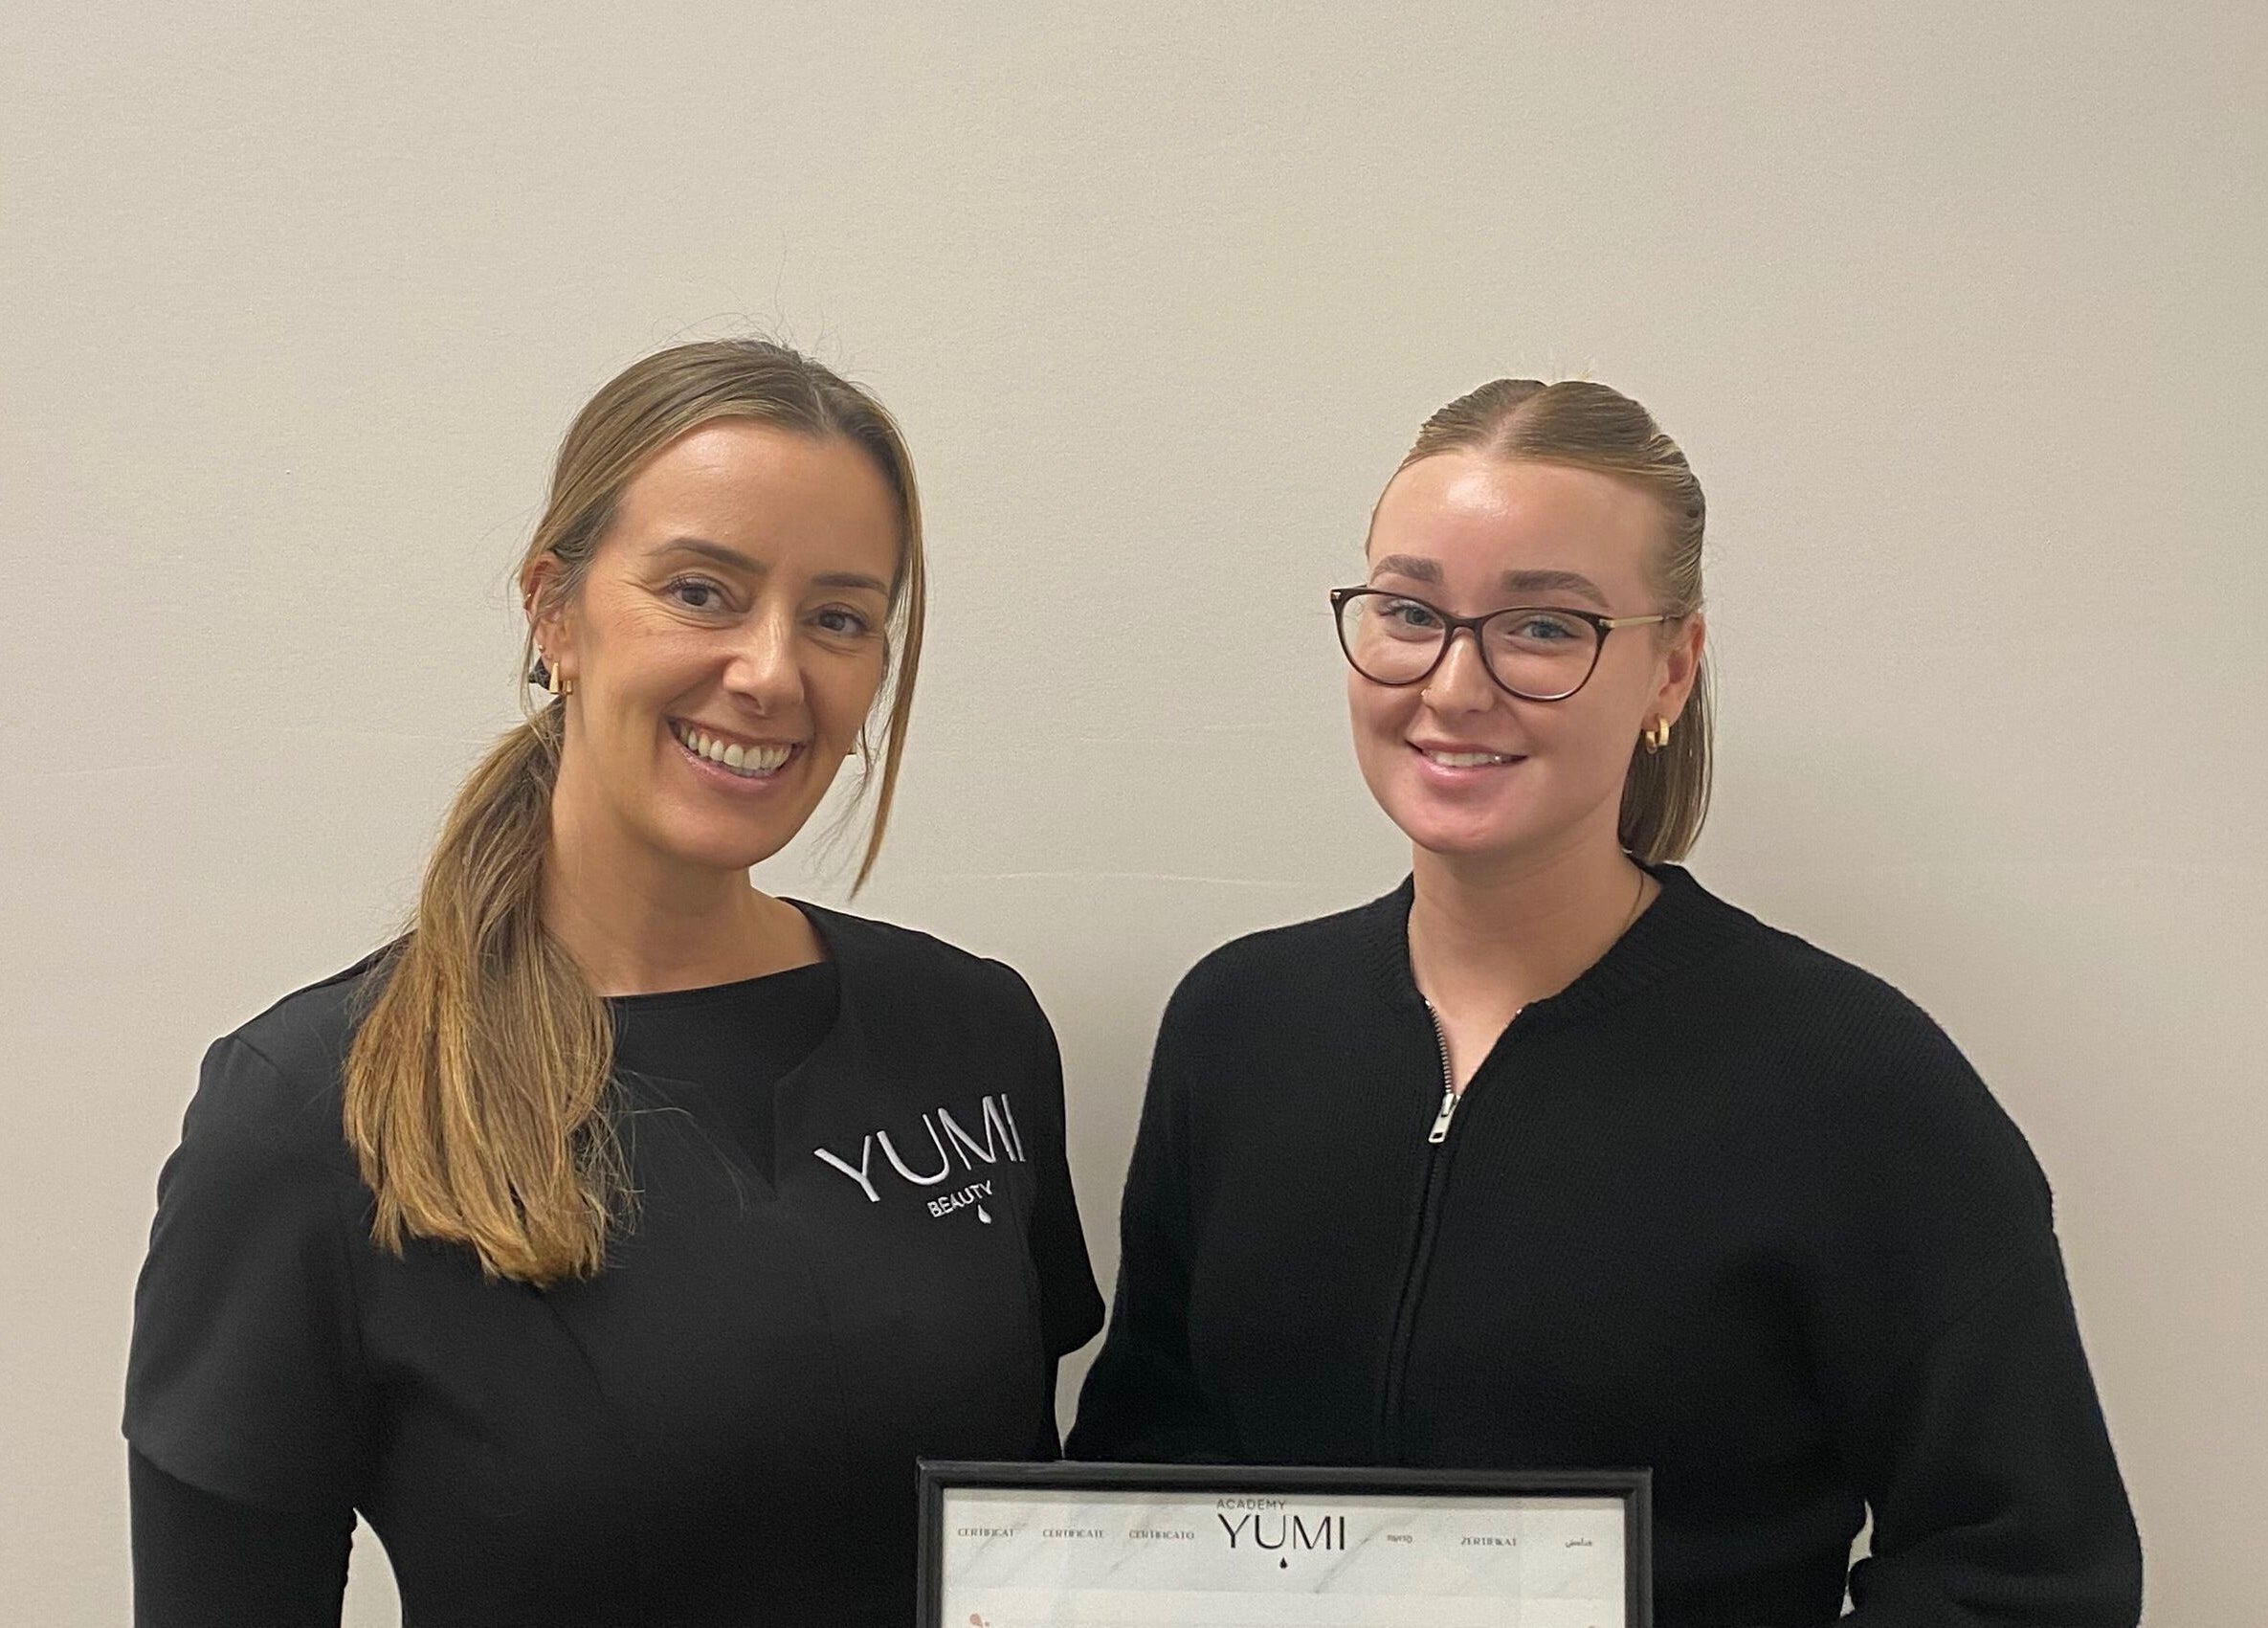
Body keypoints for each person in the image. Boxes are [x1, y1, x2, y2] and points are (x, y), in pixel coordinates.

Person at [1069, 379, 2142, 1626]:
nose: (1454, 686)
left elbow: (2024, 1570)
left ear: (1668, 669)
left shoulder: (1853, 1080)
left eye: (1541, 627)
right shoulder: (1238, 1025)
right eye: (1409, 610)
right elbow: (1141, 1469)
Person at [125, 340, 1102, 1627]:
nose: (769, 670)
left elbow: (1019, 1553)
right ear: (554, 612)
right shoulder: (311, 1106)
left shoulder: (971, 1033)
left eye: (838, 616)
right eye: (702, 591)